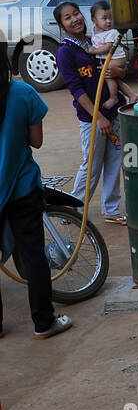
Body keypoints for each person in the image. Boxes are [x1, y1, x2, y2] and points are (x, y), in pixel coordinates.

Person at [0, 38, 73, 339]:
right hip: (22, 189)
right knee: (33, 255)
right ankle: (44, 323)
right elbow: (37, 141)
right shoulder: (23, 93)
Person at [54, 2, 125, 225]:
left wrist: (119, 69)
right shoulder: (66, 51)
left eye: (76, 13)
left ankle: (111, 209)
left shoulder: (95, 41)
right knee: (92, 166)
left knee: (114, 162)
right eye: (67, 17)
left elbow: (118, 69)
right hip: (93, 120)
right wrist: (98, 117)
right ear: (61, 24)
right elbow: (76, 90)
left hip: (114, 114)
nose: (74, 19)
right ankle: (72, 210)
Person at [89, 1, 136, 108]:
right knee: (116, 79)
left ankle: (113, 97)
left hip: (116, 58)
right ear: (94, 20)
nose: (109, 21)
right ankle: (132, 95)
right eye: (104, 18)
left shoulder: (112, 32)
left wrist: (93, 51)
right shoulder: (94, 30)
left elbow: (107, 48)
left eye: (111, 17)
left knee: (107, 76)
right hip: (109, 59)